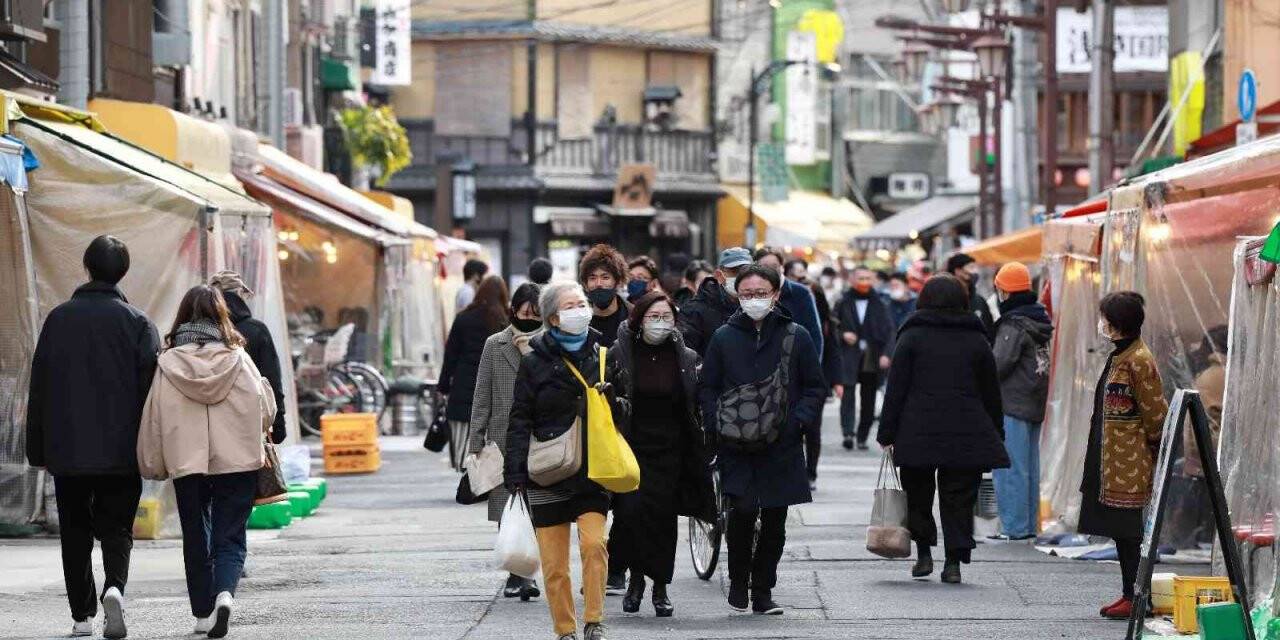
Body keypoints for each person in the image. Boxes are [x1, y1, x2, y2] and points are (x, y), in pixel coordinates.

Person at [26, 236, 161, 639]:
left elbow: (40, 388)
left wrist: (38, 449)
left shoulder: (58, 319)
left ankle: (82, 616)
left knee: (74, 530)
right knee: (117, 529)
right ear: (123, 272)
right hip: (122, 449)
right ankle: (114, 589)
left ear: (86, 267)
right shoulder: (138, 323)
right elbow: (151, 392)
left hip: (67, 449)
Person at [137, 285, 276, 638]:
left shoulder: (167, 364)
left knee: (196, 536)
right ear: (221, 315)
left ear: (183, 316)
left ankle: (202, 612)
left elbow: (154, 416)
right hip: (238, 461)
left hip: (188, 463)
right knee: (230, 535)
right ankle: (226, 593)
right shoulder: (238, 358)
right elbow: (264, 410)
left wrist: (153, 460)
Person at [505, 281, 630, 640]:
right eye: (571, 305)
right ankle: (565, 630)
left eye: (582, 303)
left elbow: (626, 412)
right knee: (554, 565)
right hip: (547, 470)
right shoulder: (534, 362)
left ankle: (594, 621)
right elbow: (520, 418)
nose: (581, 310)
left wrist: (615, 404)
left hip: (592, 468)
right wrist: (515, 472)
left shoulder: (604, 355)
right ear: (554, 318)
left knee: (595, 545)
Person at [699, 264, 826, 615]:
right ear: (737, 297)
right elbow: (708, 386)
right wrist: (715, 422)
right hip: (735, 443)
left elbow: (815, 387)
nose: (754, 300)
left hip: (781, 444)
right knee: (740, 513)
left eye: (761, 293)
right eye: (747, 294)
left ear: (776, 295)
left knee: (774, 518)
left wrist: (798, 422)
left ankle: (763, 589)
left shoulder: (795, 335)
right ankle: (739, 581)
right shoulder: (724, 337)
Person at [877, 274, 1009, 585]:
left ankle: (924, 553)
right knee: (959, 498)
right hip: (967, 429)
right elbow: (991, 390)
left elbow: (896, 388)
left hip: (916, 429)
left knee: (918, 495)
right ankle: (953, 562)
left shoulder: (911, 336)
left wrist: (887, 432)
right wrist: (996, 429)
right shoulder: (976, 338)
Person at [608, 292, 714, 618]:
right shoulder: (620, 354)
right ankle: (636, 579)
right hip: (631, 447)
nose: (660, 323)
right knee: (631, 515)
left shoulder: (684, 355)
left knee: (664, 521)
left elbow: (695, 401)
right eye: (653, 316)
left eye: (666, 316)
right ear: (639, 320)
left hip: (671, 449)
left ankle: (660, 588)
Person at [1081, 292, 1167, 620]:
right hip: (1110, 460)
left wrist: (1157, 453)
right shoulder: (1120, 355)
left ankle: (1137, 596)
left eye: (1105, 318)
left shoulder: (1139, 359)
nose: (1102, 323)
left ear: (1116, 324)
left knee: (1130, 533)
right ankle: (1129, 592)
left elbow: (1155, 411)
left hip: (1128, 463)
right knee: (1121, 531)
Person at [467, 282, 543, 601]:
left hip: (541, 435)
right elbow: (482, 393)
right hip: (502, 437)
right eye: (524, 311)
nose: (529, 317)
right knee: (507, 506)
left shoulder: (549, 344)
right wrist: (475, 441)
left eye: (535, 312)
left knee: (538, 506)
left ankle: (530, 571)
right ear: (513, 310)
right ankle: (516, 573)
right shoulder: (494, 344)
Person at [989, 262, 1053, 542]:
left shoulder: (1013, 324)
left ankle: (1013, 527)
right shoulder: (1039, 320)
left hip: (1011, 402)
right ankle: (1027, 525)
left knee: (1010, 467)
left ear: (1004, 291)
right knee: (1029, 467)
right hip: (1034, 400)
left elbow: (998, 364)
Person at [785, 258, 844, 489]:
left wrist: (837, 380)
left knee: (813, 428)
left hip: (816, 379)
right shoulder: (793, 320)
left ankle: (811, 472)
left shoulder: (825, 324)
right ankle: (797, 470)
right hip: (794, 378)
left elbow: (832, 349)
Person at [441, 275, 511, 469]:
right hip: (495, 385)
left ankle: (466, 469)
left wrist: (443, 385)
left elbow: (450, 355)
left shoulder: (463, 318)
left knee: (464, 429)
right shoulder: (506, 319)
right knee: (491, 431)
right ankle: (488, 472)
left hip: (464, 383)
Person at [210, 271, 287, 444]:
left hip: (210, 427)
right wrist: (278, 422)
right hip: (251, 422)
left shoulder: (199, 331)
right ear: (239, 293)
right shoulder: (257, 330)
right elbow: (272, 379)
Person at [834, 266, 896, 451]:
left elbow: (890, 332)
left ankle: (862, 436)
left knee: (868, 399)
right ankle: (848, 433)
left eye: (868, 278)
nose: (865, 282)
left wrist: (886, 354)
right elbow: (832, 325)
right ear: (852, 280)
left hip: (872, 358)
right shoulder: (843, 302)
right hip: (849, 356)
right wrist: (843, 334)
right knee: (848, 396)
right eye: (861, 278)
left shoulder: (881, 304)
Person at [753, 247, 824, 358]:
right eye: (764, 266)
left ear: (782, 267)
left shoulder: (801, 293)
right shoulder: (751, 292)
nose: (769, 270)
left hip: (795, 363)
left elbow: (814, 334)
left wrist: (812, 370)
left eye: (774, 266)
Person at [678, 248, 748, 356]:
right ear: (719, 275)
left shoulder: (759, 306)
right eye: (734, 271)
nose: (740, 277)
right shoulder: (695, 310)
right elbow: (685, 351)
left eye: (746, 272)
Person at [579, 244, 629, 348]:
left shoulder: (633, 317)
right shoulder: (578, 319)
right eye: (592, 278)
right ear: (585, 284)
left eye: (605, 277)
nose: (598, 283)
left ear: (618, 282)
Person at [945, 253, 995, 337]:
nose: (975, 272)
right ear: (958, 271)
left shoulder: (979, 301)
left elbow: (989, 329)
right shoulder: (945, 300)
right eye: (971, 267)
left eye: (975, 267)